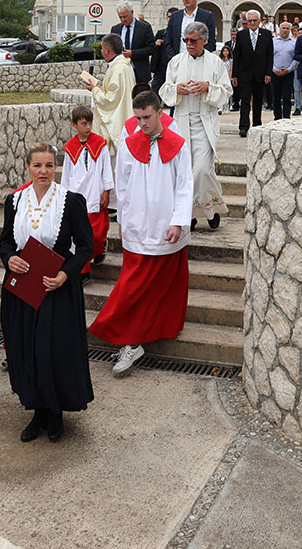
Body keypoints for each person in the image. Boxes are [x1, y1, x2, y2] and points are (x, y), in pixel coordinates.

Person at [90, 91, 193, 374]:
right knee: (133, 285)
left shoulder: (178, 145)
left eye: (147, 117)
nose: (142, 123)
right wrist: (122, 220)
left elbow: (185, 185)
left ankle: (150, 334)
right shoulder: (129, 144)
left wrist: (178, 221)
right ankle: (126, 336)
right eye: (137, 118)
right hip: (137, 225)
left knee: (165, 285)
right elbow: (122, 186)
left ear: (160, 113)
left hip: (166, 226)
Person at [0, 143, 95, 443]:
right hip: (23, 290)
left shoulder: (71, 201)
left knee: (53, 351)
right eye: (37, 165)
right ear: (27, 167)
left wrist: (65, 275)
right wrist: (9, 259)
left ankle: (56, 412)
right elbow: (5, 242)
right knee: (27, 350)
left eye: (49, 165)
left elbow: (86, 246)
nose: (43, 171)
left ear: (56, 167)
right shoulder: (14, 201)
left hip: (57, 290)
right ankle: (37, 410)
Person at [160, 21, 231, 230]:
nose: (189, 44)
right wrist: (176, 89)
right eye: (186, 40)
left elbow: (226, 92)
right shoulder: (175, 62)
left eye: (193, 40)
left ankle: (211, 208)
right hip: (182, 122)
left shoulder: (215, 63)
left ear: (205, 40)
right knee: (185, 171)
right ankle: (189, 213)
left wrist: (208, 87)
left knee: (202, 170)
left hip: (205, 123)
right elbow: (164, 89)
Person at [62, 105, 113, 275]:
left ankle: (100, 248)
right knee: (78, 238)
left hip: (94, 195)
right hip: (77, 196)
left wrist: (106, 191)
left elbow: (106, 168)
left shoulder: (100, 143)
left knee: (96, 235)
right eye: (84, 124)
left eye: (90, 123)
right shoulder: (69, 147)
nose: (88, 127)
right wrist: (65, 196)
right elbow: (66, 175)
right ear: (74, 124)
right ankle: (83, 272)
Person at [87, 33, 134, 150]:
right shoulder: (124, 65)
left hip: (118, 122)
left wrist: (94, 90)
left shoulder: (118, 69)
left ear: (107, 50)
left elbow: (110, 100)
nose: (101, 51)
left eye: (102, 49)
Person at [231, 9, 273, 137]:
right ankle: (243, 126)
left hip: (260, 74)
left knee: (258, 101)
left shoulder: (266, 34)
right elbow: (237, 56)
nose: (252, 23)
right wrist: (234, 75)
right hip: (244, 74)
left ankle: (257, 124)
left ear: (259, 21)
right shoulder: (241, 35)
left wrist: (268, 73)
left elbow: (269, 55)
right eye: (250, 21)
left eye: (255, 20)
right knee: (245, 101)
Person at [163, 0, 217, 66]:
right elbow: (168, 40)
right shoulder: (175, 16)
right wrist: (174, 59)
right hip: (178, 63)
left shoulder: (207, 16)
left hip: (199, 63)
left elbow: (211, 42)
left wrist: (199, 58)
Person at [110, 1, 155, 86]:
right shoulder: (115, 29)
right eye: (120, 17)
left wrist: (133, 53)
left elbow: (151, 49)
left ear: (132, 12)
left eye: (125, 16)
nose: (123, 20)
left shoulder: (144, 28)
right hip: (121, 72)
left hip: (139, 73)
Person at [269, 20, 298, 119]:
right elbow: (269, 57)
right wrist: (274, 69)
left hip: (288, 73)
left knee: (287, 97)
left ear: (290, 30)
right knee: (276, 97)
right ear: (279, 29)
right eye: (283, 28)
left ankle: (286, 118)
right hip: (275, 73)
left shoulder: (294, 43)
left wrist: (289, 69)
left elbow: (296, 58)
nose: (285, 30)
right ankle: (277, 118)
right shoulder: (273, 42)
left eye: (287, 28)